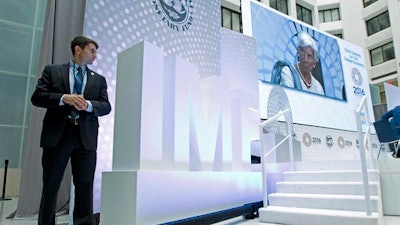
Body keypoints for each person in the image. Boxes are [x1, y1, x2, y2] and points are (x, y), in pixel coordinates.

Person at [31, 36, 111, 225]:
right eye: (92, 50)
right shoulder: (53, 71)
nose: (95, 55)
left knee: (84, 186)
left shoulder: (98, 80)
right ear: (78, 49)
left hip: (86, 138)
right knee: (51, 185)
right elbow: (38, 97)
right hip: (58, 135)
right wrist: (63, 98)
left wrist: (89, 105)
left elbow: (106, 106)